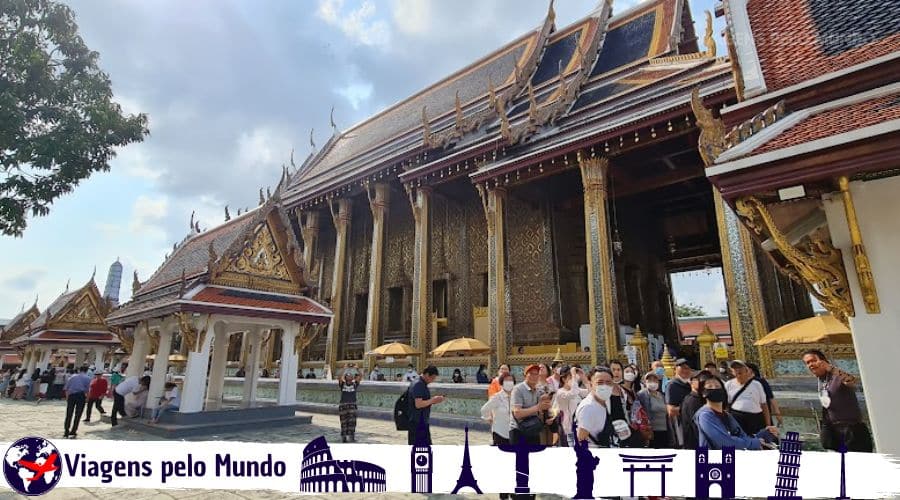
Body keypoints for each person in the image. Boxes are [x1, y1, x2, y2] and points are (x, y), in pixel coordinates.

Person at [802, 349, 873, 452]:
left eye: (813, 360)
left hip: (852, 431)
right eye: (807, 363)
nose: (810, 365)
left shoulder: (837, 375)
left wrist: (830, 368)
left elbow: (852, 380)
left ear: (823, 361)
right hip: (835, 433)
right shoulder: (821, 381)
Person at [695, 371, 778, 449]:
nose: (715, 389)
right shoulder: (705, 415)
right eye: (710, 387)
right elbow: (724, 442)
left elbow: (741, 436)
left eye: (717, 386)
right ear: (703, 393)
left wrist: (763, 434)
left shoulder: (727, 415)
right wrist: (755, 442)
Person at [726, 359, 770, 436]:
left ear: (747, 370)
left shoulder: (757, 384)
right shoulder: (728, 384)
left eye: (740, 368)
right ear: (732, 372)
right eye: (735, 368)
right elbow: (726, 405)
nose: (737, 370)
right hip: (736, 417)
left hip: (755, 418)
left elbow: (764, 405)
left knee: (757, 441)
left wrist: (768, 424)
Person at [510, 364, 552, 445]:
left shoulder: (538, 390)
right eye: (531, 374)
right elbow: (517, 413)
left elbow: (541, 409)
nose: (534, 376)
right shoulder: (518, 389)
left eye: (536, 374)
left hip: (533, 429)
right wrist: (537, 407)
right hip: (519, 430)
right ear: (525, 375)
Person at [575, 368, 614, 448]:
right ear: (591, 383)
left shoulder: (605, 401)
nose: (604, 386)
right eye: (600, 382)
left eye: (608, 383)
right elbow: (580, 440)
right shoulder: (588, 407)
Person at [407, 365, 445, 445]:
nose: (432, 380)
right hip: (417, 422)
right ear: (427, 374)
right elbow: (418, 404)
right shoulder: (419, 384)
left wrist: (434, 401)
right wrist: (433, 400)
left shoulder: (420, 383)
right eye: (432, 378)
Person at [553, 366, 590, 447]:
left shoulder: (577, 390)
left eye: (574, 377)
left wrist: (584, 378)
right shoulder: (560, 392)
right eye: (570, 377)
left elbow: (591, 392)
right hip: (568, 429)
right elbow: (573, 393)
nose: (574, 379)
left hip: (580, 426)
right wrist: (573, 374)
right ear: (563, 379)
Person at [481, 372, 515, 445]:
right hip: (499, 432)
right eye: (506, 381)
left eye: (511, 381)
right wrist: (489, 418)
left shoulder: (516, 396)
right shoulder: (497, 397)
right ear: (502, 383)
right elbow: (484, 409)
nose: (509, 383)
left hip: (513, 432)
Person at [666, 358, 694, 448]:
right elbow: (671, 410)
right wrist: (688, 409)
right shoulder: (672, 385)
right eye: (682, 368)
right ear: (675, 369)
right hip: (681, 423)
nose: (685, 370)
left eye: (687, 368)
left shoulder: (692, 385)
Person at [637, 372, 669, 448]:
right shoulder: (642, 395)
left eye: (655, 380)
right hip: (651, 432)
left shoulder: (662, 395)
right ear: (645, 382)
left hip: (665, 430)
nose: (653, 383)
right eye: (650, 380)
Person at [747, 362, 783, 427]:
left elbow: (771, 397)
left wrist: (777, 413)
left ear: (751, 370)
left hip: (763, 414)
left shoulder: (760, 381)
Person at [63, 366, 92, 439]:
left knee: (69, 413)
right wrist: (87, 399)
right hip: (81, 396)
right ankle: (73, 430)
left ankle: (66, 430)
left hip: (71, 396)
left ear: (79, 370)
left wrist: (67, 398)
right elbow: (88, 390)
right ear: (86, 370)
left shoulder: (72, 377)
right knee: (78, 414)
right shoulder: (88, 378)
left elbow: (66, 389)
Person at [680, 372, 706, 449]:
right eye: (698, 380)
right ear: (691, 382)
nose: (701, 382)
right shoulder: (692, 399)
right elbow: (696, 424)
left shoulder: (700, 398)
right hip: (695, 442)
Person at [338, 369, 362, 442]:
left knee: (352, 422)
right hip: (343, 406)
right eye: (348, 376)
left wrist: (357, 369)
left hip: (352, 405)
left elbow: (360, 376)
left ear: (352, 378)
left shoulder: (355, 384)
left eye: (351, 376)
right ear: (345, 377)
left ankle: (351, 437)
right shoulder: (342, 384)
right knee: (343, 422)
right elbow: (339, 377)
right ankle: (344, 437)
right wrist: (344, 369)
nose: (349, 377)